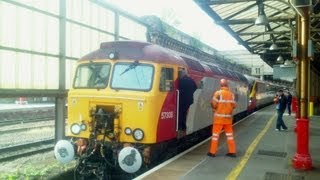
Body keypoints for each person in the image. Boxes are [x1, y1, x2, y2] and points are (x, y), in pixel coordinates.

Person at [208, 79, 237, 158]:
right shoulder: (231, 94)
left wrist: (215, 107)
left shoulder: (218, 93)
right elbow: (234, 106)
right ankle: (232, 152)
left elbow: (214, 104)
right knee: (230, 136)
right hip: (228, 120)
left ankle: (212, 152)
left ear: (220, 85)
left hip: (218, 119)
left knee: (215, 136)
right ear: (227, 85)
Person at [178, 69, 197, 136]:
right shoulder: (191, 80)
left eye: (180, 74)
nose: (179, 75)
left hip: (182, 100)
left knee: (181, 113)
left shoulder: (180, 81)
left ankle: (181, 127)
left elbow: (178, 89)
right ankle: (184, 127)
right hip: (190, 100)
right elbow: (195, 87)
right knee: (186, 114)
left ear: (182, 74)